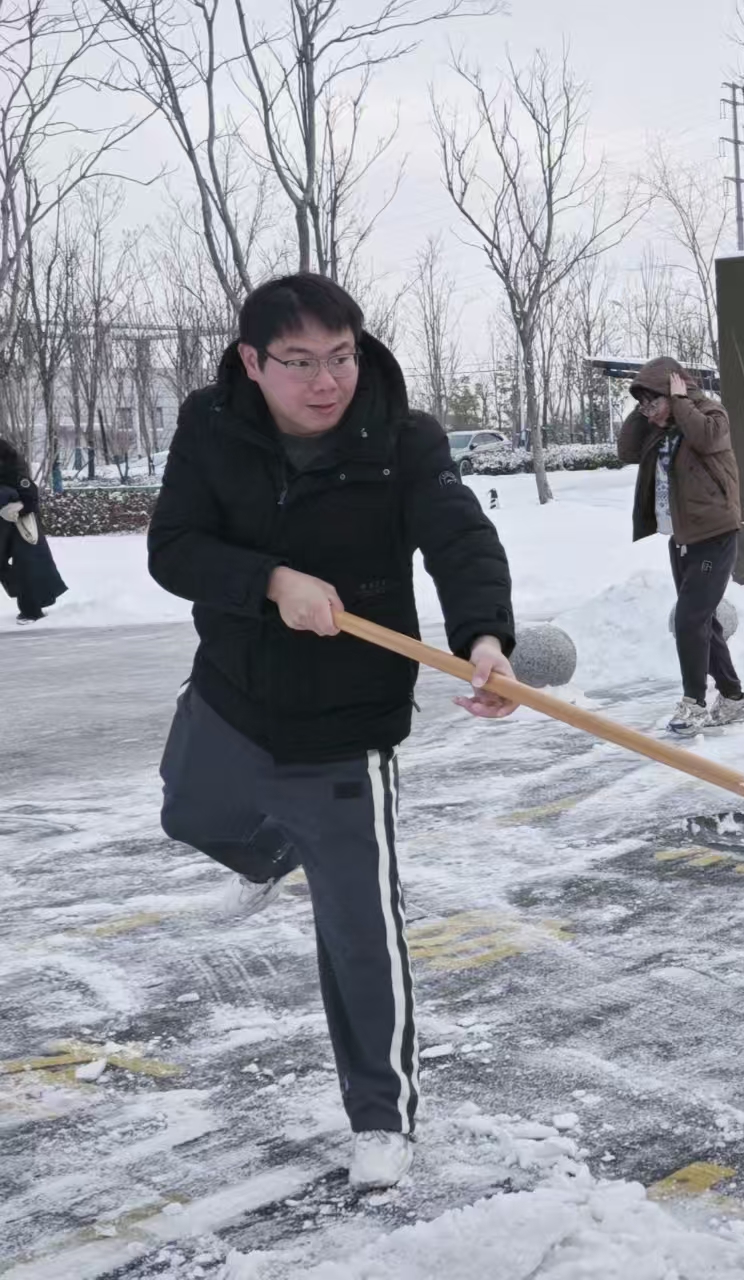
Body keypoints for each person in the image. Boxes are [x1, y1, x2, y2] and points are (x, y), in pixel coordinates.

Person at [148, 274, 518, 1190]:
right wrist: (273, 581)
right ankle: (275, 856)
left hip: (345, 723)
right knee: (189, 815)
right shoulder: (209, 426)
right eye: (300, 362)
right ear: (252, 362)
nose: (327, 382)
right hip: (232, 693)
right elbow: (174, 549)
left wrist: (485, 639)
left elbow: (460, 540)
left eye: (342, 357)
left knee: (360, 929)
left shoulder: (401, 437)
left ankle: (382, 1115)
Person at [617, 357, 744, 731]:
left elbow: (706, 438)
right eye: (643, 406)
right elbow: (627, 451)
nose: (649, 413)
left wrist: (677, 401)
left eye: (652, 403)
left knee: (689, 620)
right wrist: (644, 408)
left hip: (715, 534)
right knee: (702, 621)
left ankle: (694, 703)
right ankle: (733, 697)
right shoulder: (660, 429)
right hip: (682, 537)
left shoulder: (710, 414)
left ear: (673, 392)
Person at [0, 438, 67, 623]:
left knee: (27, 564)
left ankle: (31, 609)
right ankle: (23, 591)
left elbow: (30, 497)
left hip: (19, 522)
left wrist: (17, 508)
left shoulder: (12, 465)